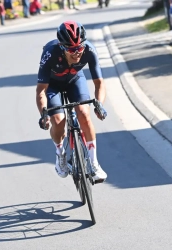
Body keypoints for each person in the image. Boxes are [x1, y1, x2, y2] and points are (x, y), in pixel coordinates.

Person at [36, 21, 108, 182]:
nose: (77, 53)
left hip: (75, 79)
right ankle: (60, 154)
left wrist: (99, 104)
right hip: (52, 85)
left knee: (83, 114)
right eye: (71, 49)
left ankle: (94, 163)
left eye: (79, 48)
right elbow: (41, 90)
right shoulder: (50, 53)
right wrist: (43, 114)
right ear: (62, 47)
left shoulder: (89, 49)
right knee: (58, 121)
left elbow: (99, 83)